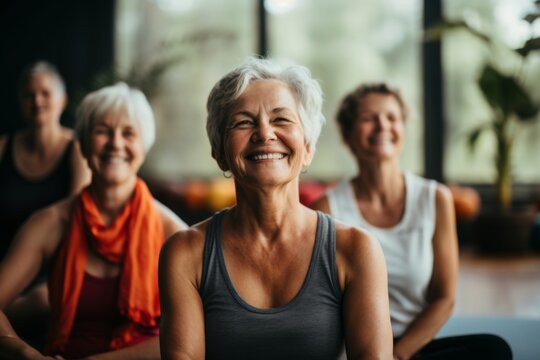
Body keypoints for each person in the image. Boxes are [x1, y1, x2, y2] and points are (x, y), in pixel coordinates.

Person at [159, 57, 393, 360]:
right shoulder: (185, 253)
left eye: (281, 119)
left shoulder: (356, 249)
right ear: (220, 153)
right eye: (243, 122)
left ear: (308, 148)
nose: (265, 134)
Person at [312, 83, 513, 360]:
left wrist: (398, 355)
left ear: (402, 129)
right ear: (348, 135)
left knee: (493, 349)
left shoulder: (436, 199)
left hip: (411, 347)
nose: (383, 126)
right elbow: (322, 305)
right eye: (370, 118)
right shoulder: (327, 208)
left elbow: (444, 298)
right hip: (356, 351)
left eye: (392, 118)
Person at [0, 82, 187, 359]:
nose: (115, 144)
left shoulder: (172, 232)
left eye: (128, 133)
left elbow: (189, 338)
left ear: (143, 148)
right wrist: (24, 351)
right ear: (84, 147)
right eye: (102, 131)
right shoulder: (49, 223)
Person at [0, 61, 91, 258]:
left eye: (45, 93)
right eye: (29, 95)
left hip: (53, 261)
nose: (37, 101)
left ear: (63, 100)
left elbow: (75, 218)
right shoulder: (3, 147)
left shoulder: (77, 150)